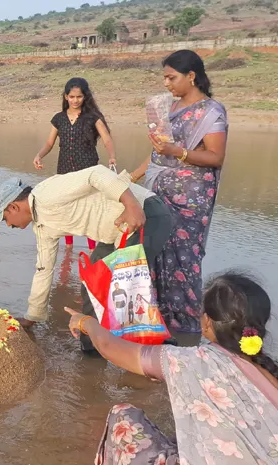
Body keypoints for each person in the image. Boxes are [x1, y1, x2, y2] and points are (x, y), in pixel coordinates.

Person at [64, 270, 278, 464]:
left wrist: (85, 322)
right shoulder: (269, 369)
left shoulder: (189, 361)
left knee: (123, 416)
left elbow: (109, 346)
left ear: (206, 321)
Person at [0, 165, 172, 334]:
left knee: (127, 289)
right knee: (91, 284)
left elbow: (96, 173)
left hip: (146, 213)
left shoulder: (45, 194)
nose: (9, 225)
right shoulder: (41, 227)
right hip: (116, 233)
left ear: (13, 207)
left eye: (5, 219)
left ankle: (157, 355)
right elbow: (43, 270)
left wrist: (131, 205)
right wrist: (31, 317)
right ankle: (91, 349)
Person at [130, 50, 229, 334]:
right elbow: (158, 154)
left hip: (190, 200)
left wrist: (177, 151)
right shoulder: (170, 110)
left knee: (183, 262)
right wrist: (132, 177)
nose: (166, 84)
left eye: (171, 77)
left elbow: (215, 157)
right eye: (164, 78)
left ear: (191, 76)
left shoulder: (211, 111)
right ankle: (154, 331)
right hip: (158, 195)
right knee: (153, 256)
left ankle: (185, 335)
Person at [34, 77, 118, 252]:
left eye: (79, 97)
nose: (75, 100)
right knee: (66, 207)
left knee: (90, 209)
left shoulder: (92, 118)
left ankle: (92, 249)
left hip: (88, 170)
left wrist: (111, 156)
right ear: (66, 97)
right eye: (71, 97)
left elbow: (106, 138)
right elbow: (49, 143)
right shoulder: (59, 119)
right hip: (64, 170)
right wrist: (39, 155)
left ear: (84, 97)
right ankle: (69, 249)